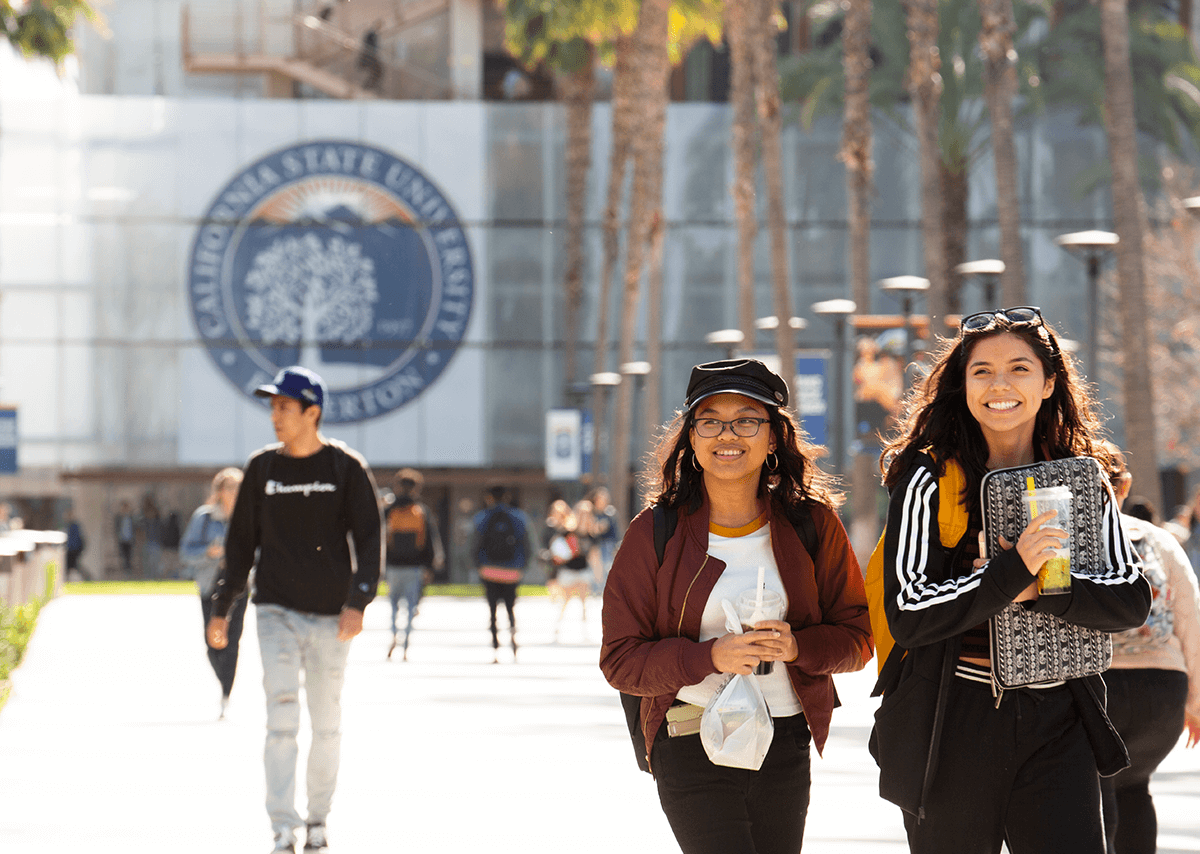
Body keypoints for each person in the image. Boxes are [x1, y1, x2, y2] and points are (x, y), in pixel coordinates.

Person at [871, 306, 1152, 853]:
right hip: (951, 722)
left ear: (1049, 383)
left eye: (1020, 369)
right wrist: (1010, 573)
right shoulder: (927, 477)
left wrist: (1045, 586)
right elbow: (909, 612)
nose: (1000, 384)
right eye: (982, 371)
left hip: (1059, 721)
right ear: (963, 385)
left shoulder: (1081, 476)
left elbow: (1130, 598)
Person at [600, 358, 873, 854]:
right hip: (688, 735)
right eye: (710, 421)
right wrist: (710, 657)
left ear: (773, 438)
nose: (728, 433)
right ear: (691, 438)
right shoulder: (654, 533)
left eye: (747, 419)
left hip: (785, 737)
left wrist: (797, 646)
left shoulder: (813, 524)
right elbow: (620, 661)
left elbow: (857, 641)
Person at [205, 366, 383, 854]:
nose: (275, 416)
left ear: (312, 412)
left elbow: (370, 540)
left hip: (332, 617)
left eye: (285, 407)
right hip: (275, 612)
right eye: (272, 407)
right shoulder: (262, 469)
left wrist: (358, 602)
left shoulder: (345, 468)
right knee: (281, 720)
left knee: (326, 723)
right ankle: (282, 825)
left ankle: (318, 821)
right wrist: (222, 608)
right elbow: (240, 546)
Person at [1101, 448, 1200, 854]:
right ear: (1124, 486)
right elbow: (1189, 616)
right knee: (1134, 787)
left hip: (1098, 688)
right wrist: (1195, 701)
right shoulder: (1158, 538)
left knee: (1092, 790)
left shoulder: (1056, 536)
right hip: (1161, 692)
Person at [182, 468, 247, 719]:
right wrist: (208, 553)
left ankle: (226, 692)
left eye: (239, 488)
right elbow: (186, 552)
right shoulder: (204, 518)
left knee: (233, 639)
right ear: (219, 491)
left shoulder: (248, 517)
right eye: (230, 487)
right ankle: (222, 679)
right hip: (211, 584)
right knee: (212, 641)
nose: (235, 493)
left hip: (240, 586)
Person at [384, 468, 444, 661]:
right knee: (410, 606)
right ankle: (406, 643)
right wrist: (430, 566)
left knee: (393, 604)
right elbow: (430, 541)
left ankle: (394, 633)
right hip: (415, 565)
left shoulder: (389, 510)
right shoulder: (422, 511)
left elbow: (379, 540)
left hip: (393, 565)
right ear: (416, 488)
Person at [472, 485, 532, 664]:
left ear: (489, 497)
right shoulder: (519, 517)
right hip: (512, 572)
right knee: (510, 608)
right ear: (506, 497)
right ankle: (513, 642)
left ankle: (495, 647)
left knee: (492, 610)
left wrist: (478, 566)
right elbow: (528, 545)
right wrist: (522, 567)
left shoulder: (481, 517)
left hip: (489, 570)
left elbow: (472, 545)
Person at [64, 510, 88, 581]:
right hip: (72, 549)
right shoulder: (70, 525)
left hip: (73, 549)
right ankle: (85, 577)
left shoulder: (74, 526)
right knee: (73, 566)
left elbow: (74, 539)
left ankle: (86, 577)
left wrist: (70, 548)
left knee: (72, 566)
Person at [114, 500, 134, 576]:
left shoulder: (131, 517)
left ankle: (128, 571)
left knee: (129, 555)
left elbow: (134, 528)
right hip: (122, 539)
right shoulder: (118, 517)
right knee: (123, 555)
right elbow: (116, 528)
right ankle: (124, 571)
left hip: (130, 539)